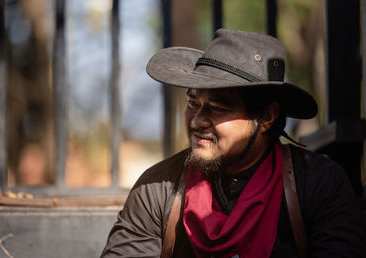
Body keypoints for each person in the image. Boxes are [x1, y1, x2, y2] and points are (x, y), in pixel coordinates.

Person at [101, 29, 365, 257]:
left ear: (266, 118)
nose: (197, 120)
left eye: (217, 108)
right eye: (193, 104)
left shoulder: (318, 184)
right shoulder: (158, 187)